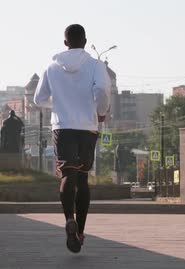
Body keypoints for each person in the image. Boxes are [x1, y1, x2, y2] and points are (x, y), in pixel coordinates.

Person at [34, 24, 111, 253]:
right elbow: (103, 91)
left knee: (68, 174)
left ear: (65, 42)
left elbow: (39, 99)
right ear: (85, 41)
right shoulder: (96, 65)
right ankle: (80, 232)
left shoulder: (51, 67)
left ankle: (69, 218)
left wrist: (58, 104)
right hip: (87, 127)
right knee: (83, 178)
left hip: (63, 127)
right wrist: (101, 111)